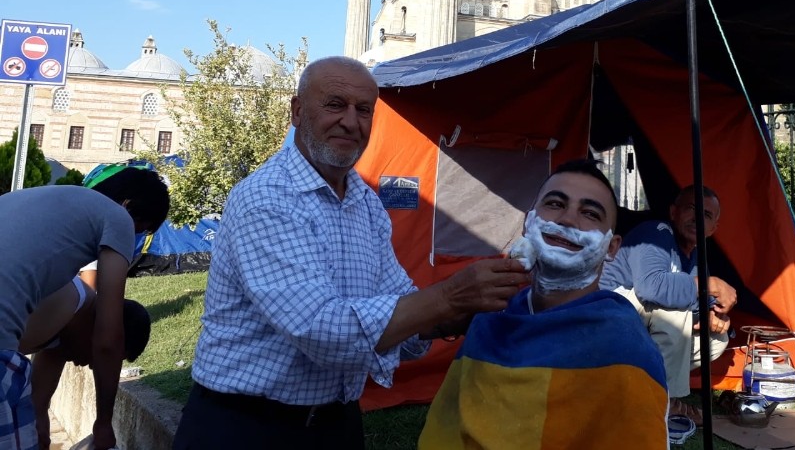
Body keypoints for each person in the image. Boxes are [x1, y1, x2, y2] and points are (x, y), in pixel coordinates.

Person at [173, 56, 531, 450]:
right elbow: (321, 330)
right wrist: (450, 296)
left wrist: (465, 310)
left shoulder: (363, 200)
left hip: (334, 423)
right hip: (245, 428)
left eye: (364, 110)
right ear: (296, 112)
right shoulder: (267, 198)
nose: (351, 120)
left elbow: (400, 303)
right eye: (334, 104)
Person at [419, 159, 668, 449]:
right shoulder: (491, 317)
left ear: (611, 247)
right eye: (555, 204)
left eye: (589, 213)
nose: (567, 220)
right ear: (528, 223)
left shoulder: (625, 346)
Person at [0, 167, 170, 450]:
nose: (87, 365)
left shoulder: (55, 327)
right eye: (140, 230)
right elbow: (108, 338)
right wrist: (103, 424)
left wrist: (39, 421)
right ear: (127, 206)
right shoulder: (117, 218)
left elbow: (38, 407)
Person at [600, 184, 737, 424]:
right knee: (674, 310)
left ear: (714, 228)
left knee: (716, 340)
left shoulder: (695, 255)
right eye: (691, 209)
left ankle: (641, 389)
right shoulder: (655, 233)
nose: (696, 218)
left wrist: (712, 315)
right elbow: (652, 287)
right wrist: (711, 284)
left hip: (636, 324)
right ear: (673, 212)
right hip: (605, 315)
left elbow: (696, 302)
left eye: (705, 215)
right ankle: (667, 402)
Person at [17, 279, 152, 450]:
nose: (94, 366)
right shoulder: (58, 303)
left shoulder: (62, 335)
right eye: (106, 358)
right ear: (105, 333)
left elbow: (37, 405)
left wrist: (40, 420)